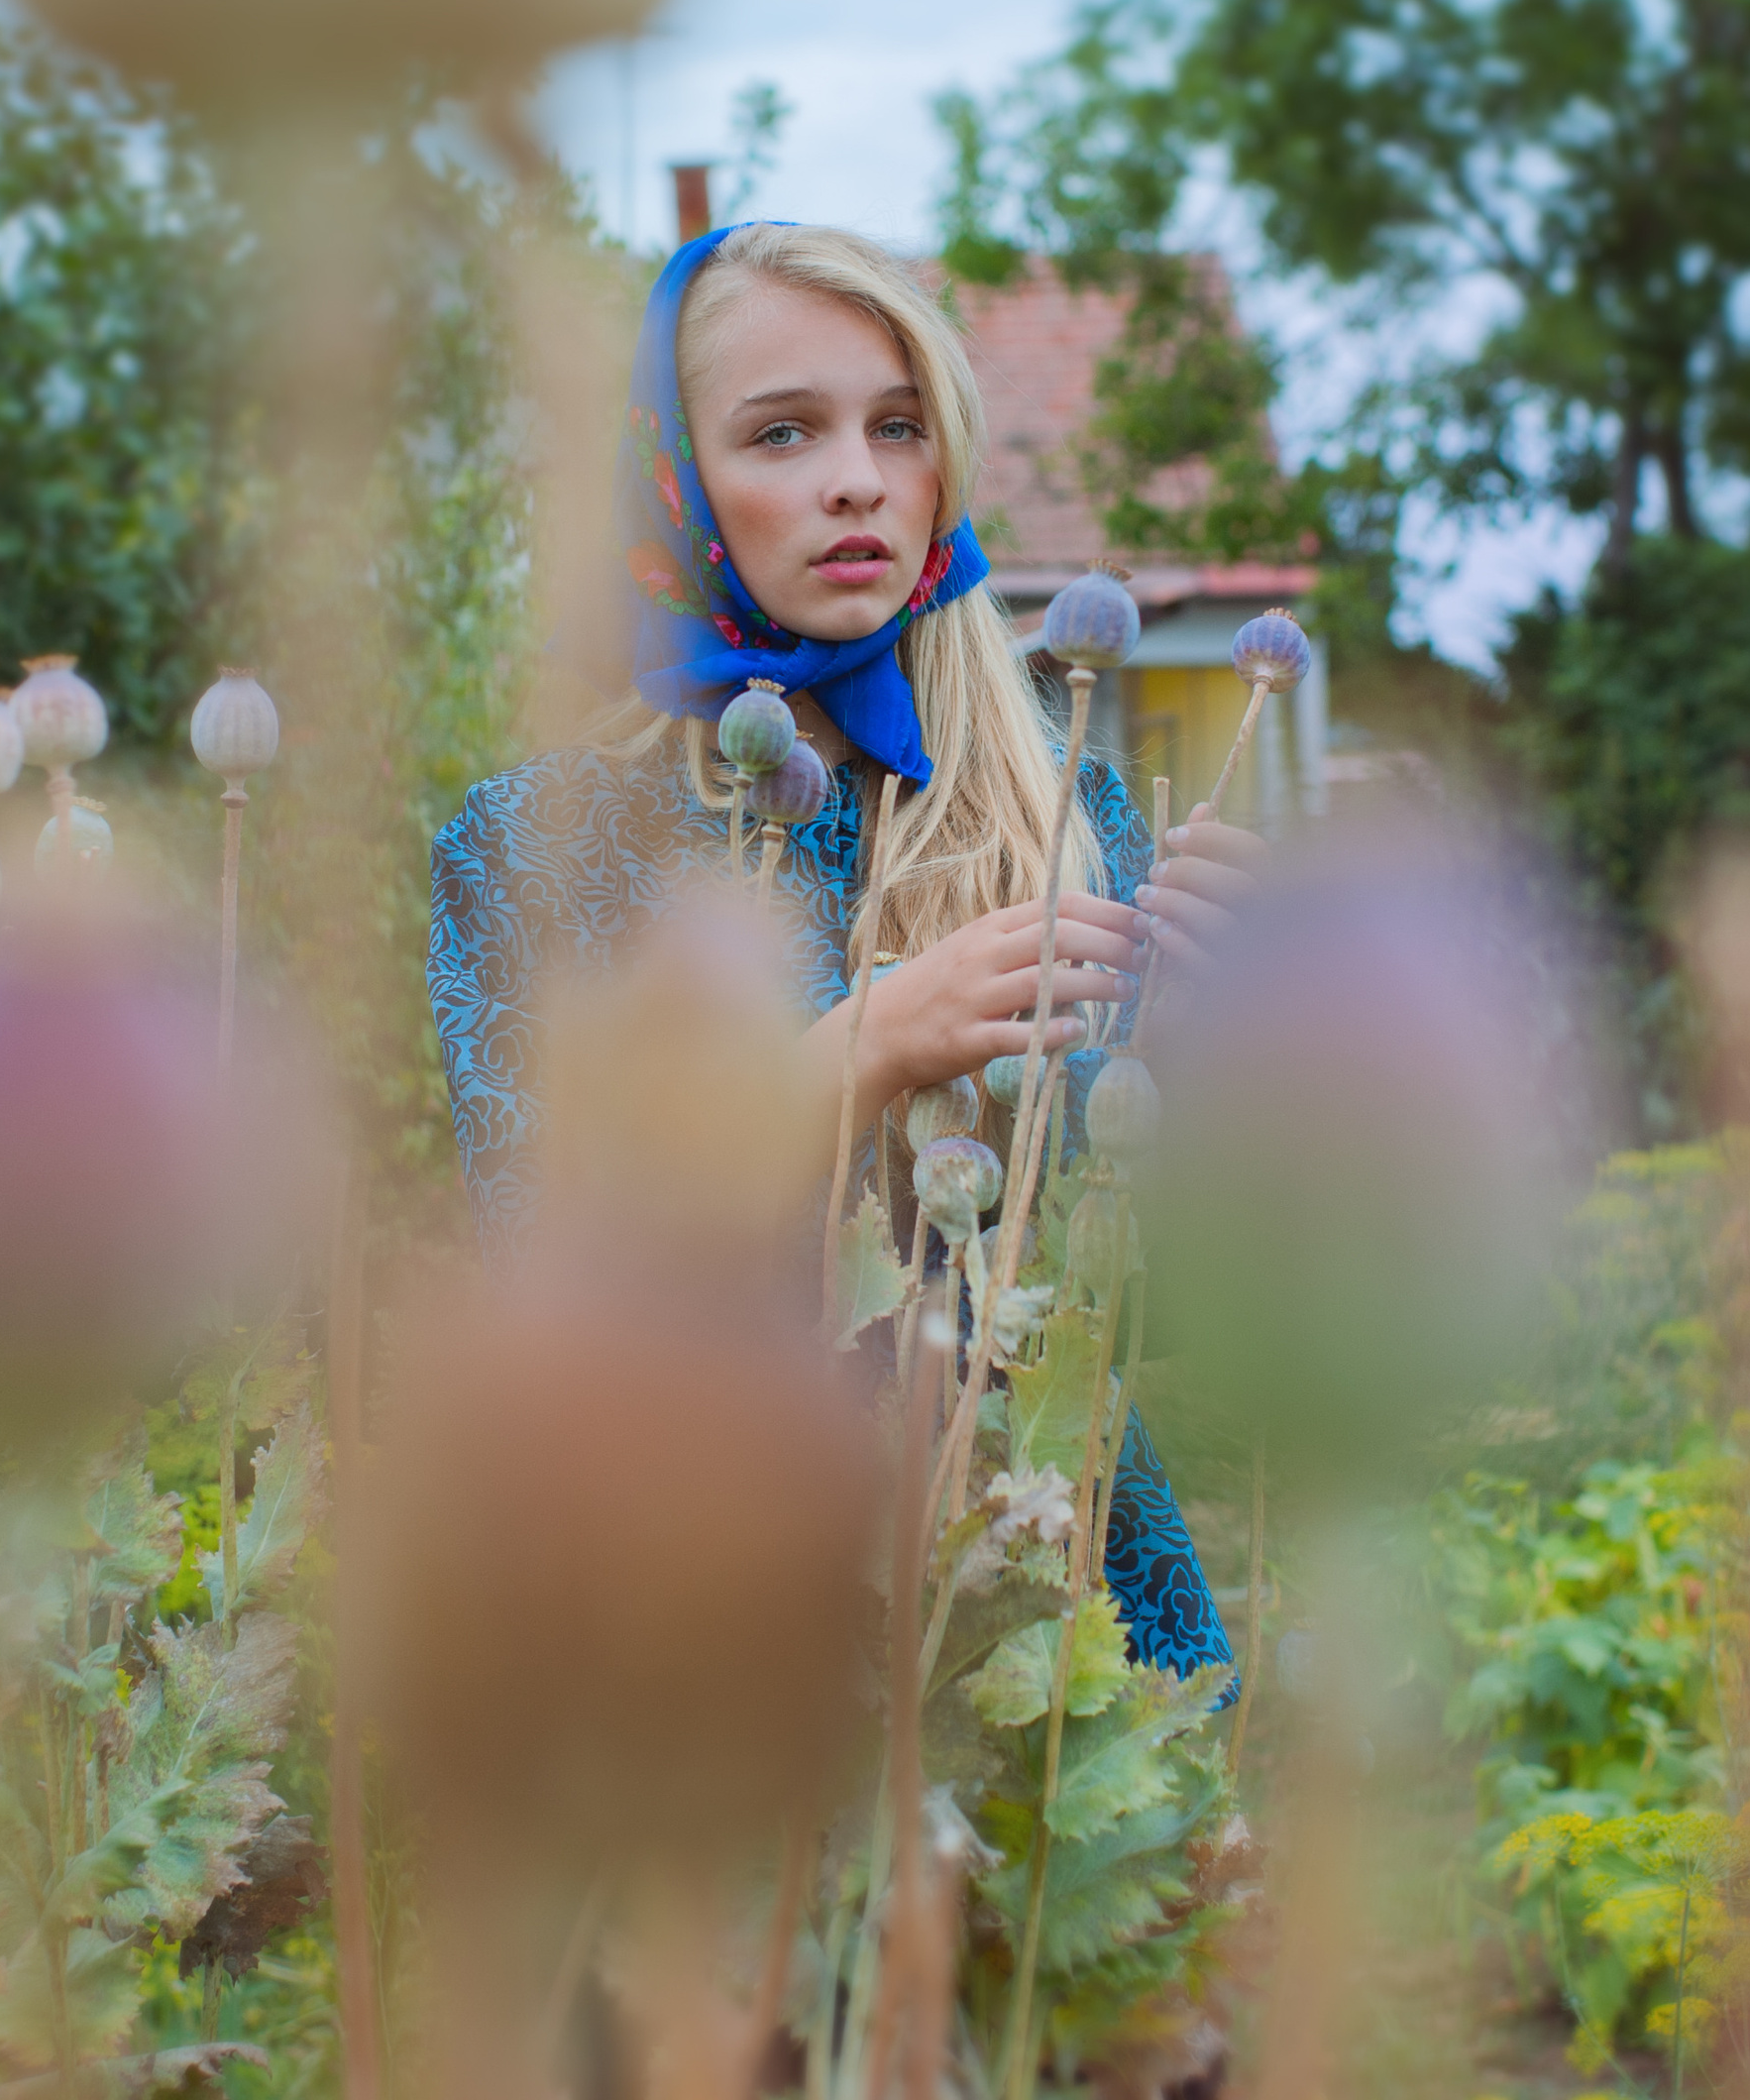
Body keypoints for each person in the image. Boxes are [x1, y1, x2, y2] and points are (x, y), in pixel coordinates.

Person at [428, 221, 1259, 1684]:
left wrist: (1198, 1066)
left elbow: (1176, 1320)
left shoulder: (1075, 817)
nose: (857, 477)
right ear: (672, 484)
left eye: (897, 425)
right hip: (717, 1604)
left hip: (1060, 1608)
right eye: (781, 432)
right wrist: (867, 1043)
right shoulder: (532, 856)